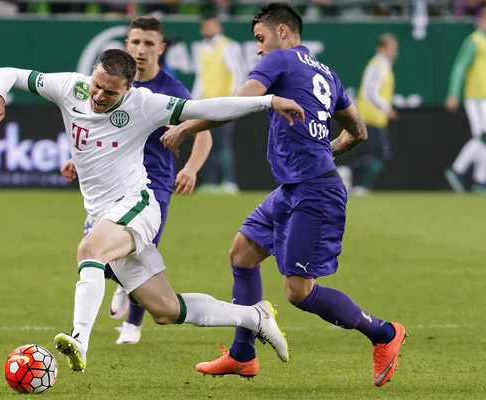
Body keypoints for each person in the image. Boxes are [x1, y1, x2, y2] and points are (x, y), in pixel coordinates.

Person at [0, 48, 305, 373]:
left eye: (110, 91)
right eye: (97, 85)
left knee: (89, 248)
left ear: (128, 89)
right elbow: (10, 71)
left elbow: (206, 108)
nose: (99, 95)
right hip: (104, 216)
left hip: (137, 205)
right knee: (165, 309)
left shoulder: (144, 104)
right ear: (92, 73)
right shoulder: (71, 87)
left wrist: (268, 101)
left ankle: (80, 339)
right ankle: (254, 316)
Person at [161, 2, 406, 386]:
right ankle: (243, 354)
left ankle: (385, 333)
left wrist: (185, 128)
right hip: (295, 187)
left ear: (282, 32)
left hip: (315, 192)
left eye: (260, 39)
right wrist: (330, 148)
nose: (258, 49)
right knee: (242, 254)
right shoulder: (326, 72)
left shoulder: (280, 62)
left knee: (298, 292)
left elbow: (237, 104)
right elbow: (358, 131)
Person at [59, 17, 213, 345]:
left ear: (160, 48)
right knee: (98, 251)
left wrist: (191, 168)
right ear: (126, 45)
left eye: (147, 43)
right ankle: (122, 288)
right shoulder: (113, 87)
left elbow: (203, 132)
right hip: (112, 180)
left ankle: (132, 325)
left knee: (134, 247)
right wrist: (79, 156)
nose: (141, 49)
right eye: (135, 42)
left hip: (153, 182)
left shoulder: (172, 90)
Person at [191, 13, 247, 194]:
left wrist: (234, 101)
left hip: (225, 104)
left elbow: (238, 73)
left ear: (218, 28)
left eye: (211, 25)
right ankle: (211, 183)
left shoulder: (228, 46)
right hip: (207, 106)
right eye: (205, 26)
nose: (208, 29)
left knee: (225, 144)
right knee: (208, 143)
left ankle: (229, 182)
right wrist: (192, 103)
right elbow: (201, 78)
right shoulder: (201, 48)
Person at [344, 33, 398, 197]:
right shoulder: (378, 65)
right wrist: (386, 108)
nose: (394, 52)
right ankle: (359, 183)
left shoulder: (384, 65)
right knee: (381, 154)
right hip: (370, 116)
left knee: (376, 153)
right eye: (391, 48)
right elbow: (371, 91)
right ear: (381, 48)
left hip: (375, 117)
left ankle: (349, 173)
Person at [444, 7, 486, 193]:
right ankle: (457, 169)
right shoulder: (474, 41)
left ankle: (479, 182)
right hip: (476, 96)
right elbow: (460, 67)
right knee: (482, 137)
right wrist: (454, 93)